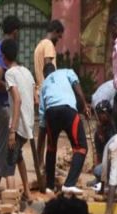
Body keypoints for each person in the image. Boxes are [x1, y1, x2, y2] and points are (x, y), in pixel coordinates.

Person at [39, 63, 91, 195]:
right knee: (81, 147)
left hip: (51, 113)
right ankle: (69, 184)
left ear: (45, 75)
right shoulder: (67, 72)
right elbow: (76, 85)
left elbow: (42, 117)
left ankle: (50, 186)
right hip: (68, 110)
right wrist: (84, 105)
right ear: (55, 70)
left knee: (51, 148)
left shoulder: (44, 85)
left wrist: (40, 154)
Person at [0, 15, 21, 200]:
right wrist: (8, 88)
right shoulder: (4, 51)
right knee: (1, 148)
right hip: (1, 105)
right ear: (14, 31)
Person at [1, 39, 36, 202]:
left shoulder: (9, 74)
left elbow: (17, 100)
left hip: (19, 126)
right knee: (18, 156)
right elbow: (36, 99)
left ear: (4, 57)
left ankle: (11, 204)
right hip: (28, 124)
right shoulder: (27, 72)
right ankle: (27, 193)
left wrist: (12, 130)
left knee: (9, 166)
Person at [34, 20, 65, 171]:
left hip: (41, 91)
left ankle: (40, 162)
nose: (58, 41)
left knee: (43, 129)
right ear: (54, 31)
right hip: (48, 92)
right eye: (58, 36)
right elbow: (48, 66)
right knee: (48, 130)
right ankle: (44, 164)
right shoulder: (48, 45)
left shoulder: (39, 45)